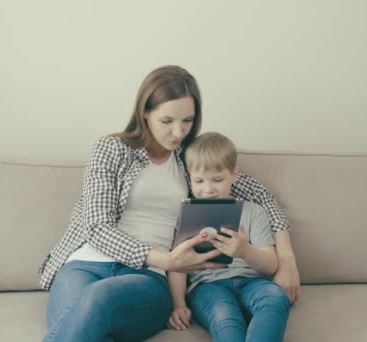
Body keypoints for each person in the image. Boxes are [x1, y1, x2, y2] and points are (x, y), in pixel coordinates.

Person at [39, 65, 298, 342]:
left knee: (95, 299)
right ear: (145, 113)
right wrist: (169, 259)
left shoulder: (190, 159)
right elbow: (96, 227)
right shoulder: (111, 149)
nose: (178, 132)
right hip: (86, 264)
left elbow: (262, 198)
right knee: (88, 325)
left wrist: (287, 260)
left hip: (147, 277)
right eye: (167, 121)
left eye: (187, 120)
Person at [167, 132, 290, 341]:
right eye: (199, 181)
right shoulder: (186, 215)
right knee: (225, 318)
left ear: (234, 175)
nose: (208, 189)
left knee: (276, 298)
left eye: (217, 179)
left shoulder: (254, 212)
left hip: (252, 282)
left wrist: (246, 251)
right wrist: (179, 304)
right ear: (189, 178)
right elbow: (177, 266)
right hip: (207, 287)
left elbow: (271, 265)